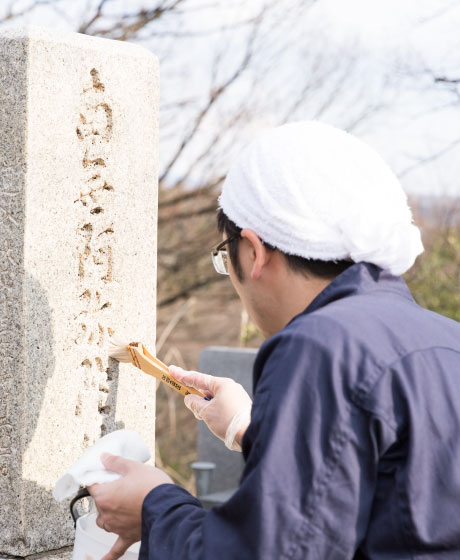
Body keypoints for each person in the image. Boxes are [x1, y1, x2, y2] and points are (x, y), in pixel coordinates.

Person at [89, 121, 460, 560]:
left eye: (225, 258)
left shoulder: (320, 346)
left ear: (253, 250)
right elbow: (388, 490)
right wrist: (249, 430)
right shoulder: (445, 338)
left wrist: (154, 506)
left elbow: (264, 553)